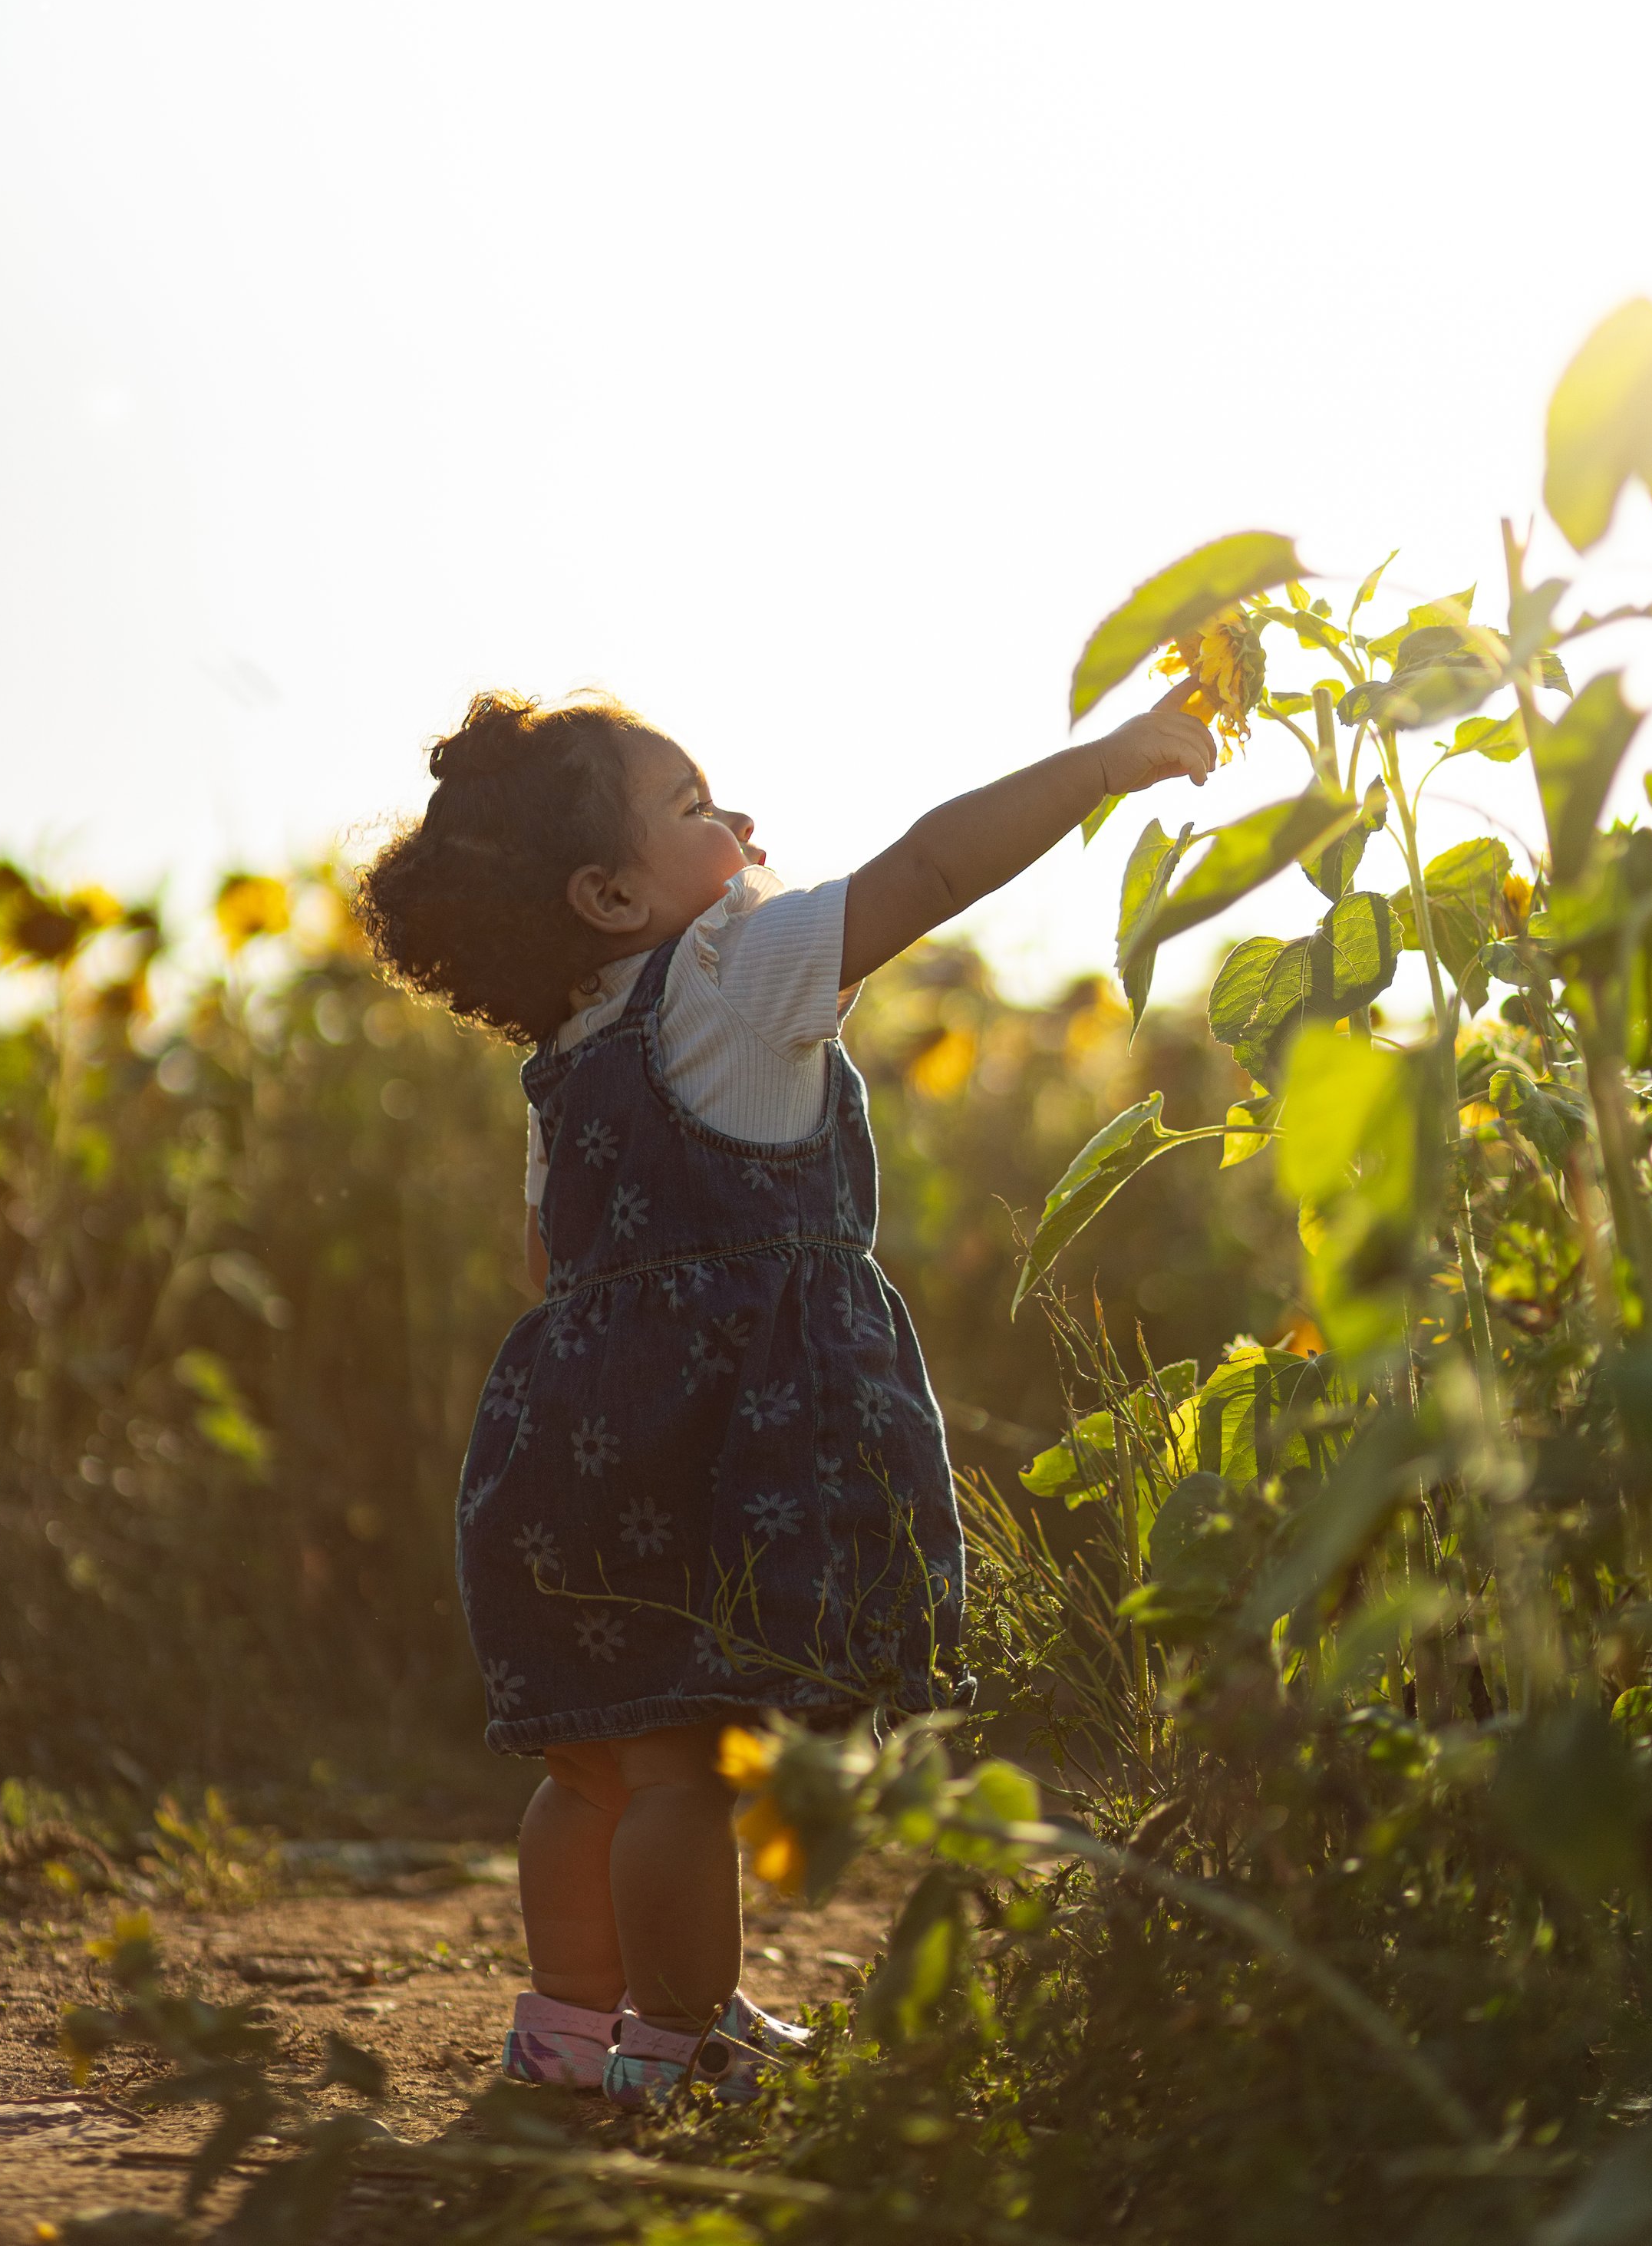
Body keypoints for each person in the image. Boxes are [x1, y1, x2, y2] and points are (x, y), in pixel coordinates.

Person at [355, 682, 1216, 2107]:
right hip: (714, 1446)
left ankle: (568, 2029)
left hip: (556, 1444)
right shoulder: (732, 969)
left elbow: (544, 1263)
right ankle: (683, 2038)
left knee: (595, 1764)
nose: (741, 823)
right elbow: (932, 869)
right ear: (614, 892)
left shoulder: (566, 1060)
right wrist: (1107, 762)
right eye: (696, 807)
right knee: (692, 1759)